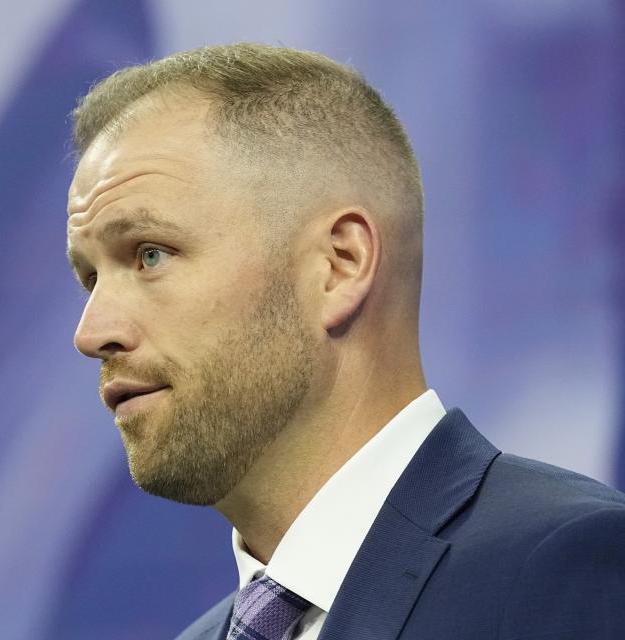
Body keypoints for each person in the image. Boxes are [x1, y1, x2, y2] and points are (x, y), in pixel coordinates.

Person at [64, 43, 625, 640]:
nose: (91, 333)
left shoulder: (570, 569)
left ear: (340, 264)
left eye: (150, 255)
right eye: (90, 278)